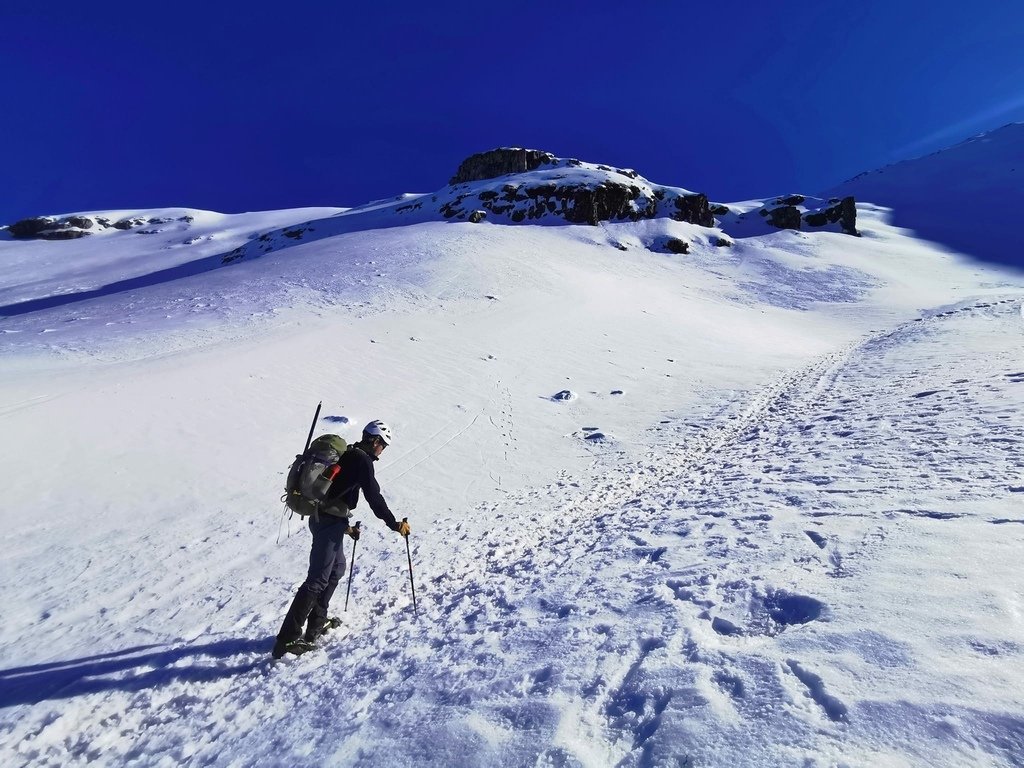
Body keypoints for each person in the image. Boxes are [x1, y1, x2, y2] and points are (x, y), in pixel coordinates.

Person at [272, 419, 411, 658]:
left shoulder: (350, 454)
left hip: (329, 521)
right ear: (375, 441)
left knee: (336, 570)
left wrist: (345, 528)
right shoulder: (362, 460)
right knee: (317, 580)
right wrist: (394, 523)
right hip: (327, 523)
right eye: (383, 446)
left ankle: (316, 626)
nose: (382, 451)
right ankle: (286, 641)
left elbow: (335, 493)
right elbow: (374, 497)